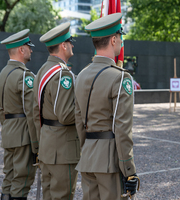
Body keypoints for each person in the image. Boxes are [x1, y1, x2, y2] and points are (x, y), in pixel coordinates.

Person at [74, 13, 139, 200]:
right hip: (110, 162)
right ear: (113, 39)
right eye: (120, 37)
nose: (121, 41)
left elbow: (79, 122)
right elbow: (123, 129)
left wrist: (86, 151)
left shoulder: (81, 76)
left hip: (87, 157)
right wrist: (129, 169)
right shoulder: (120, 77)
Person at [32, 22, 80, 199]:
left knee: (50, 196)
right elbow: (66, 115)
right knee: (62, 196)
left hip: (47, 146)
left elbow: (34, 111)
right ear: (63, 45)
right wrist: (85, 109)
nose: (72, 45)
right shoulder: (62, 74)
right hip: (63, 150)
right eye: (70, 41)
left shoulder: (42, 71)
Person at [0, 29, 38, 200]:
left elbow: (1, 110)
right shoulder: (24, 76)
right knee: (22, 180)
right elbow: (32, 112)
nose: (31, 50)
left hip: (9, 132)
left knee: (9, 178)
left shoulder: (2, 74)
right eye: (29, 47)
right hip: (23, 135)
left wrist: (8, 127)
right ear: (22, 50)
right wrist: (36, 143)